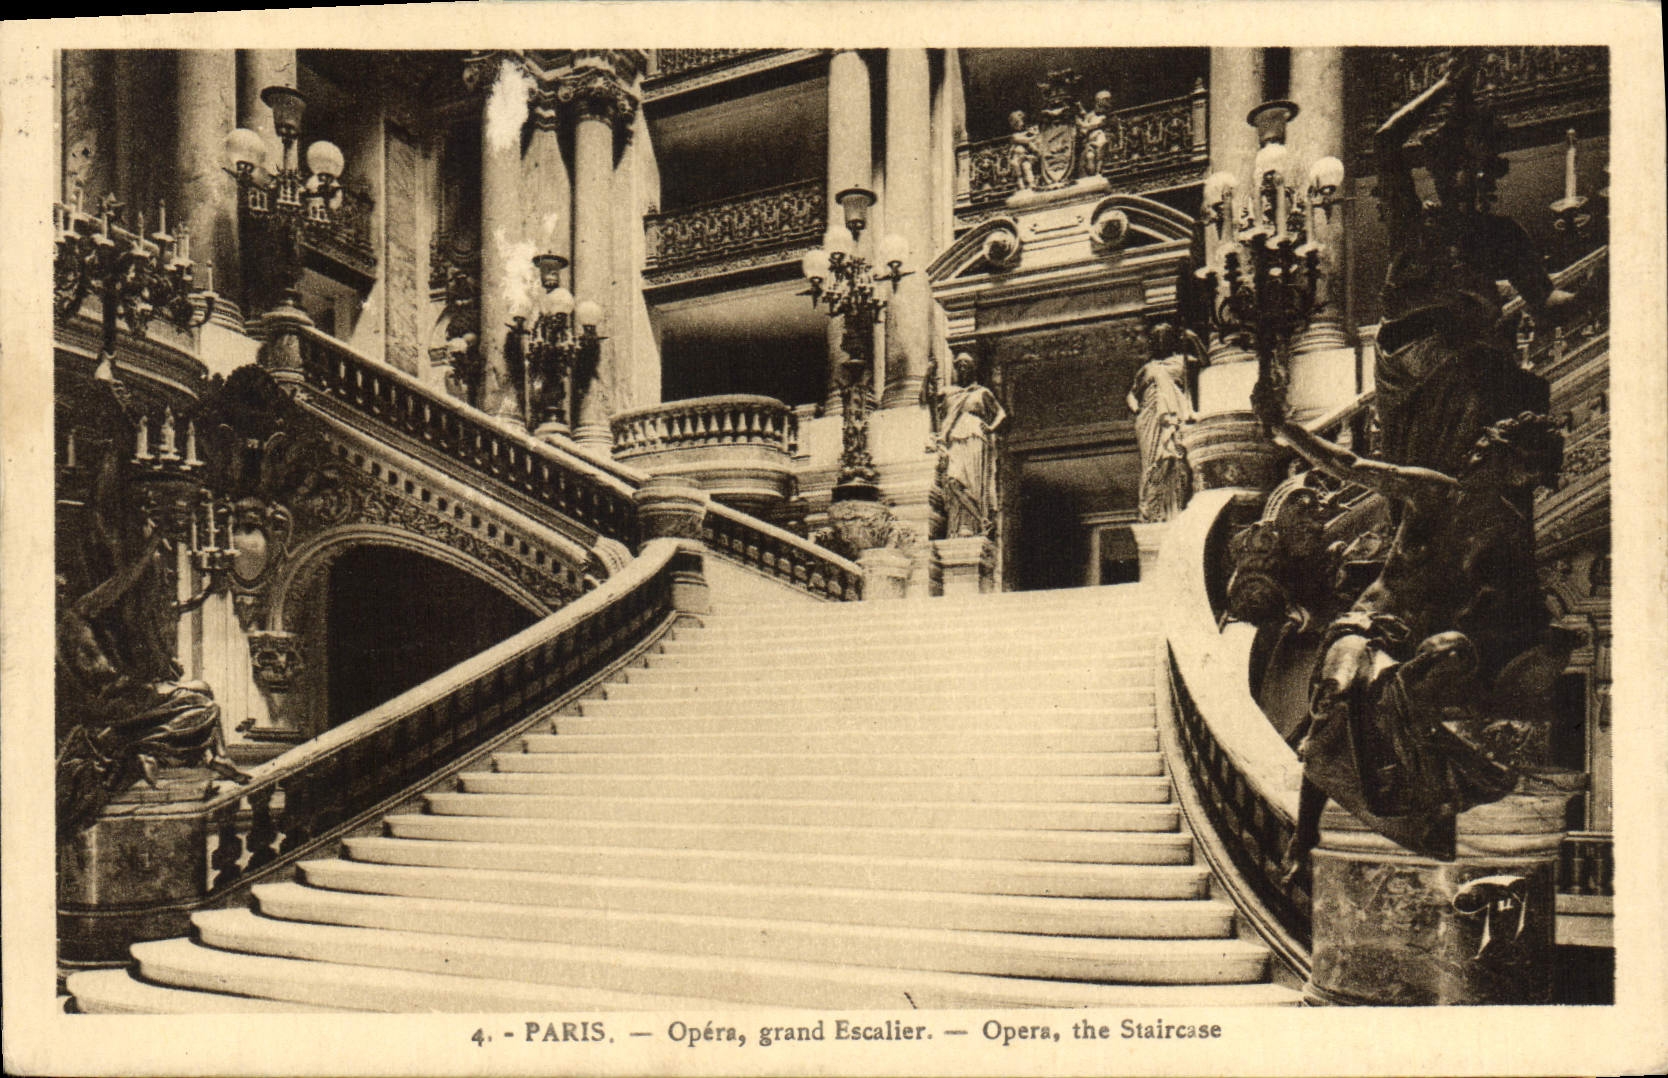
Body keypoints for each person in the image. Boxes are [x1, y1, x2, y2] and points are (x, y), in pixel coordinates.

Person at [1258, 393, 1563, 872]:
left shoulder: (1505, 526)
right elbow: (1349, 463)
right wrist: (1287, 430)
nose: (1527, 483)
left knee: (1453, 658)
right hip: (1367, 623)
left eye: (1533, 477)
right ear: (1499, 455)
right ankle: (1305, 834)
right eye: (1525, 469)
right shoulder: (1432, 490)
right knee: (1341, 694)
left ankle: (1417, 793)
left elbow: (1506, 596)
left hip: (1418, 642)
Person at [1371, 51, 1583, 478]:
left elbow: (1546, 301)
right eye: (1465, 168)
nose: (1478, 179)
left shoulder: (1503, 233)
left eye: (1485, 169)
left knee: (1521, 395)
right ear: (1443, 172)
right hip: (1419, 364)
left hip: (1478, 364)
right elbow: (1385, 141)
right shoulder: (1413, 221)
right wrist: (1445, 87)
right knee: (1477, 374)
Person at [1127, 323, 1197, 522]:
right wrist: (1137, 409)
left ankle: (1171, 508)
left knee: (1171, 459)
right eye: (1156, 338)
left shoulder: (1182, 362)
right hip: (1149, 418)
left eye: (1164, 336)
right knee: (1151, 462)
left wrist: (1193, 340)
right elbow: (1132, 395)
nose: (1160, 341)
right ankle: (1151, 509)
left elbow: (1204, 363)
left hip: (1172, 418)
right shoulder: (1148, 368)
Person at [936, 354, 1008, 539]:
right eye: (959, 366)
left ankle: (972, 523)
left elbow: (1001, 413)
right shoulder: (950, 393)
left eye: (966, 365)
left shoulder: (981, 392)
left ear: (972, 368)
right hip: (956, 436)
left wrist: (991, 427)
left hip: (975, 435)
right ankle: (980, 519)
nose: (962, 369)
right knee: (952, 480)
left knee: (971, 483)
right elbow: (928, 403)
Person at [1007, 110, 1041, 190]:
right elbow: (1026, 140)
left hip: (1024, 157)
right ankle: (1021, 186)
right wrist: (1035, 135)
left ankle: (1031, 183)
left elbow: (1031, 145)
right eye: (1019, 122)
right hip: (1016, 159)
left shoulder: (1025, 133)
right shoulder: (1014, 136)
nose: (1022, 124)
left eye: (1022, 121)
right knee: (1018, 173)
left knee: (1026, 166)